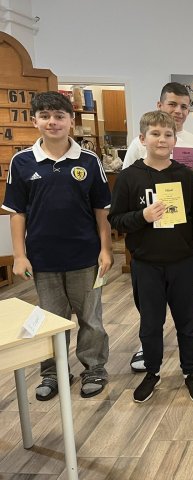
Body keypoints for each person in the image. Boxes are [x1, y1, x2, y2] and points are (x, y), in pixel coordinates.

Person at [2, 91, 112, 400]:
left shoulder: (89, 160)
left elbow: (101, 210)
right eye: (45, 116)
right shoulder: (22, 162)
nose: (53, 122)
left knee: (91, 318)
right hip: (43, 258)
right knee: (49, 320)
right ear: (35, 121)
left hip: (85, 256)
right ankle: (52, 372)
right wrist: (19, 255)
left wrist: (106, 249)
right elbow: (16, 213)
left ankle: (94, 368)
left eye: (59, 116)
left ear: (71, 121)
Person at [108, 111, 193, 403]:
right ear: (142, 139)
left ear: (175, 140)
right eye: (155, 134)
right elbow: (116, 220)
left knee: (188, 322)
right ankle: (152, 372)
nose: (162, 139)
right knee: (151, 323)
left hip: (184, 263)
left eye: (167, 134)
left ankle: (190, 371)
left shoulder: (185, 176)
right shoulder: (129, 177)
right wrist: (143, 216)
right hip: (146, 264)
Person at [123, 82, 193, 373]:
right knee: (151, 306)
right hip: (149, 242)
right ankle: (149, 347)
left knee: (188, 292)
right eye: (172, 104)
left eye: (184, 106)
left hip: (185, 233)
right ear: (160, 105)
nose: (178, 110)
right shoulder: (139, 145)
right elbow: (128, 190)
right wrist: (143, 215)